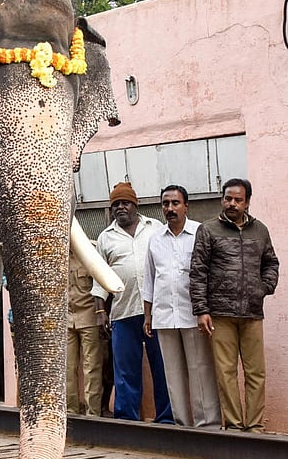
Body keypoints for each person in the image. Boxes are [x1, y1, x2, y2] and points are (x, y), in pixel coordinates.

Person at [190, 178, 280, 432]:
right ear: (222, 199)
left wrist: (264, 287)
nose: (232, 203)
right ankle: (233, 426)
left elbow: (271, 262)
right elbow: (198, 272)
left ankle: (254, 426)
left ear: (247, 202)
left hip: (252, 312)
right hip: (220, 313)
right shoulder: (208, 230)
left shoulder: (260, 230)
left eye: (238, 200)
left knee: (256, 372)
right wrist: (202, 309)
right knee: (226, 372)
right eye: (228, 198)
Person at [91, 182, 173, 423]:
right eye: (115, 204)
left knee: (163, 367)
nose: (120, 208)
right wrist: (99, 310)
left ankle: (167, 419)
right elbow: (100, 276)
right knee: (125, 372)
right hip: (123, 312)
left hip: (157, 312)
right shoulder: (106, 237)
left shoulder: (155, 228)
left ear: (135, 205)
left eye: (124, 202)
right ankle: (127, 420)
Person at [142, 185, 220, 428]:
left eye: (175, 203)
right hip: (164, 316)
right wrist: (147, 315)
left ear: (186, 206)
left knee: (201, 371)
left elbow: (209, 275)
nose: (170, 208)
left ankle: (207, 426)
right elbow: (149, 279)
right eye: (166, 204)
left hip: (193, 314)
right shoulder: (155, 240)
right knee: (172, 375)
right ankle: (182, 426)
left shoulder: (200, 233)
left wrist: (207, 310)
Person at [67, 245, 104, 416]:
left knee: (92, 368)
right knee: (67, 368)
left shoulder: (90, 250)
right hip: (65, 319)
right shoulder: (56, 252)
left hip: (89, 316)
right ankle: (70, 412)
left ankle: (93, 413)